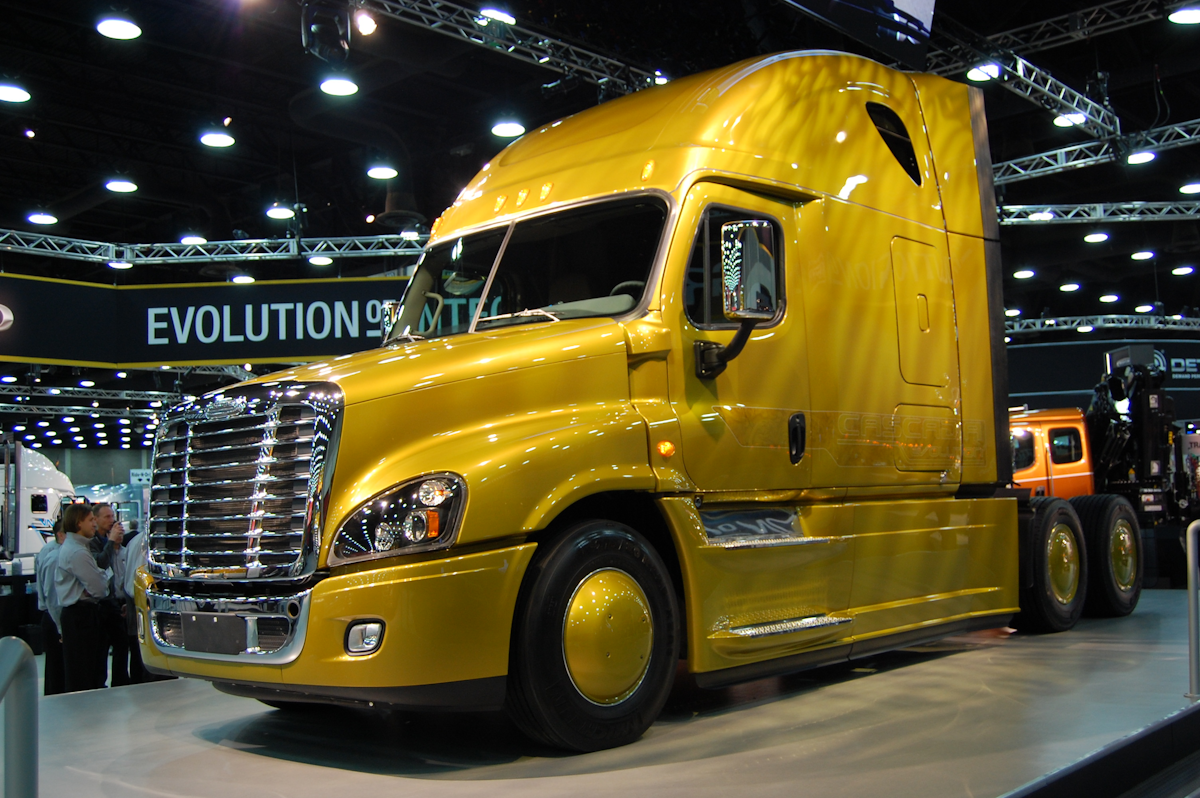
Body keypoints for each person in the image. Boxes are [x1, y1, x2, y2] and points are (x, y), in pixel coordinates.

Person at [55, 504, 109, 692]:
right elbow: (100, 588)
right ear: (79, 523)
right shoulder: (77, 552)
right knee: (85, 673)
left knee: (82, 671)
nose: (95, 524)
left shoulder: (76, 547)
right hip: (81, 617)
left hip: (78, 616)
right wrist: (100, 579)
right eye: (91, 520)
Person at [89, 503, 129, 686]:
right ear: (95, 520)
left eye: (112, 516)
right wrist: (111, 542)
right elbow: (101, 564)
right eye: (106, 517)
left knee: (121, 643)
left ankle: (120, 679)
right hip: (99, 603)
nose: (112, 520)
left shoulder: (112, 543)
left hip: (113, 601)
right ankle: (99, 682)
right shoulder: (92, 543)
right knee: (100, 647)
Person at [34, 520, 65, 695]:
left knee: (56, 667)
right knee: (56, 667)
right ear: (60, 534)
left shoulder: (52, 551)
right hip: (54, 616)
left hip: (53, 615)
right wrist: (60, 627)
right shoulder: (53, 555)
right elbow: (51, 594)